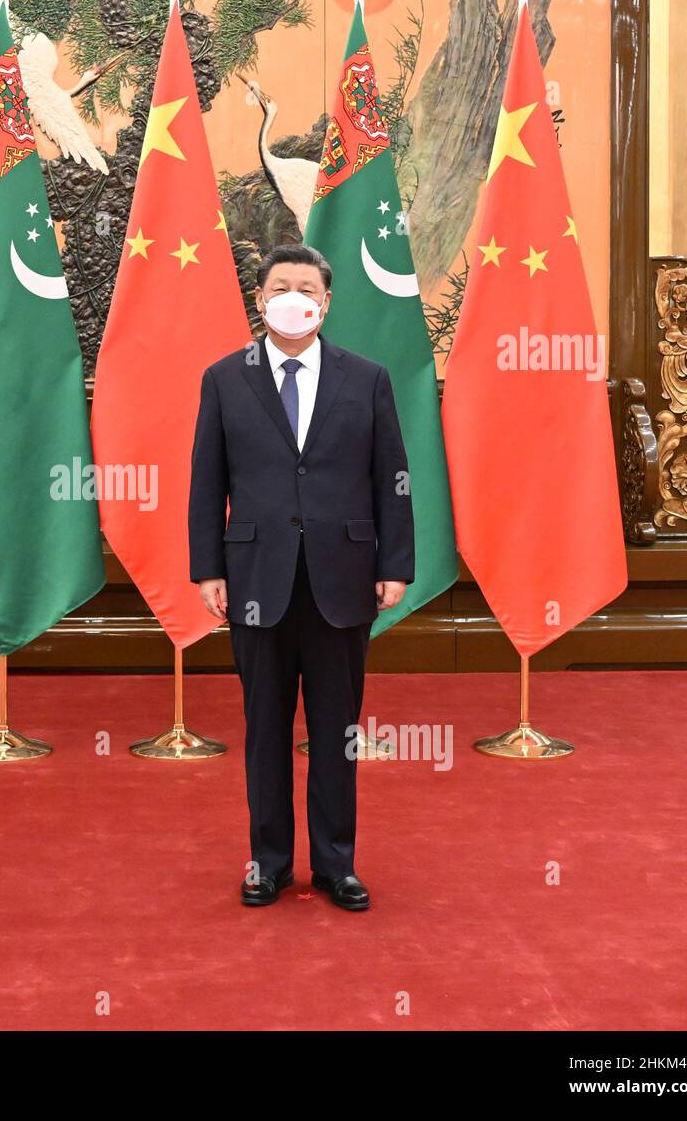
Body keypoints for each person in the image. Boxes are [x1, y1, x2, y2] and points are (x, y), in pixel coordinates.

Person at [188, 244, 414, 911]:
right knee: (264, 730)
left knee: (336, 729)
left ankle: (337, 864)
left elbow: (392, 479)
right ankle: (269, 862)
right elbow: (207, 482)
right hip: (256, 577)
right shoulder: (225, 378)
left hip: (343, 578)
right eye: (280, 286)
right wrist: (208, 569)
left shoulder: (366, 378)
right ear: (261, 299)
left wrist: (395, 564)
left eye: (306, 286)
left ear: (326, 301)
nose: (294, 296)